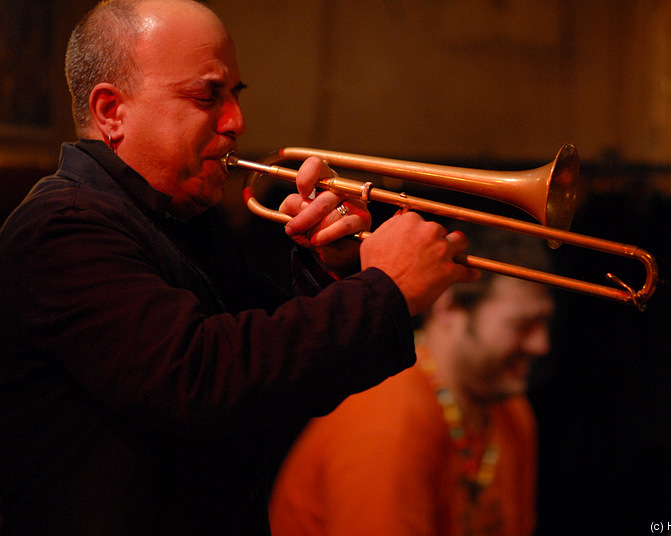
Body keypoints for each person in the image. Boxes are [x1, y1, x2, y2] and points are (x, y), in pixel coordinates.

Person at [0, 1, 475, 534]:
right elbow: (201, 379)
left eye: (235, 95)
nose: (237, 122)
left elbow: (285, 378)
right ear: (112, 111)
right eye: (208, 96)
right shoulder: (61, 226)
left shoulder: (180, 219)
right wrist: (384, 289)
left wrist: (334, 266)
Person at [269, 226, 554, 536]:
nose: (541, 345)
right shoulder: (388, 424)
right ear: (449, 308)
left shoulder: (511, 410)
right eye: (522, 325)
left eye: (543, 321)